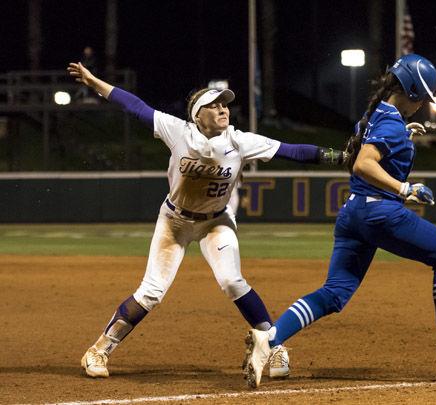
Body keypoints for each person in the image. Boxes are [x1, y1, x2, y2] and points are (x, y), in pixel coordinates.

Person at [67, 61, 345, 379]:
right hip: (174, 222)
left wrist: (338, 156)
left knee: (231, 280)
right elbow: (134, 106)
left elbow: (293, 151)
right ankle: (98, 351)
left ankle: (274, 344)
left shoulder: (239, 141)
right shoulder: (178, 131)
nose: (222, 109)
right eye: (213, 105)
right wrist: (94, 82)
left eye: (224, 103)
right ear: (198, 116)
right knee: (151, 292)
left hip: (216, 221)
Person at [243, 53, 436, 388]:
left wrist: (404, 133)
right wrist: (405, 189)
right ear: (414, 92)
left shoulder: (375, 115)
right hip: (379, 213)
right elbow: (363, 164)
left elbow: (370, 149)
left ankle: (269, 340)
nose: (423, 106)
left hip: (353, 214)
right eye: (423, 99)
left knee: (334, 293)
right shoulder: (389, 123)